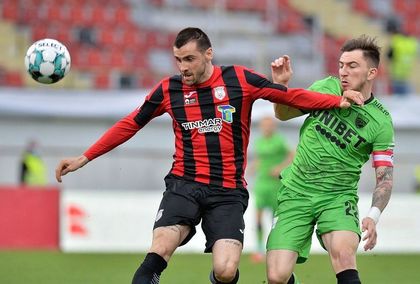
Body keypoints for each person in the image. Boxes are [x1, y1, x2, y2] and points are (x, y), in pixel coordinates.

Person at [55, 27, 364, 284]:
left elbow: (289, 96)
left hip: (227, 191)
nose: (183, 67)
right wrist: (85, 157)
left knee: (226, 270)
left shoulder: (239, 80)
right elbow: (130, 123)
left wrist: (336, 100)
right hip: (183, 185)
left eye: (189, 59)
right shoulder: (168, 90)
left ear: (208, 54)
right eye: (178, 60)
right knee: (160, 247)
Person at [266, 35, 394, 284]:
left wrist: (374, 215)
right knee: (276, 276)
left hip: (337, 198)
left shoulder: (381, 122)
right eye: (341, 65)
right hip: (296, 192)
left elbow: (385, 177)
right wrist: (280, 87)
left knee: (345, 256)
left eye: (353, 66)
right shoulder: (325, 87)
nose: (344, 72)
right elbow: (283, 114)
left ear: (371, 73)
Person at [250, 116, 294, 263]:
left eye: (269, 125)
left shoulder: (279, 141)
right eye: (264, 125)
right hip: (261, 183)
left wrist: (280, 168)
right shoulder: (259, 141)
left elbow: (292, 155)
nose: (266, 128)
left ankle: (275, 247)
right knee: (258, 216)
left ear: (273, 126)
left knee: (274, 218)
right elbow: (259, 158)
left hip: (275, 184)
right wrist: (253, 167)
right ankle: (259, 248)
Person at [386, 19, 418, 96]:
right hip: (408, 74)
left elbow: (389, 56)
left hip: (396, 74)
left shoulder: (395, 40)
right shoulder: (412, 42)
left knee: (397, 101)